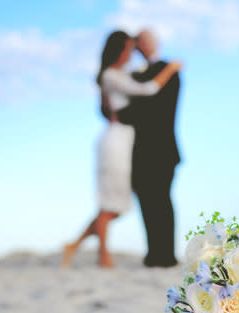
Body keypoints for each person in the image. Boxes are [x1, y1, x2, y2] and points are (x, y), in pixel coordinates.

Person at [62, 31, 181, 268]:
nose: (131, 53)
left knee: (117, 204)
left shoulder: (124, 75)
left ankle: (77, 246)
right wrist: (171, 68)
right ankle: (103, 256)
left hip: (128, 142)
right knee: (112, 203)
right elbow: (147, 91)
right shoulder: (113, 75)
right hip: (117, 141)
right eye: (129, 49)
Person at [104, 29, 182, 268]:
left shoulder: (168, 73)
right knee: (147, 202)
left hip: (162, 148)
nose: (142, 47)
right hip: (137, 149)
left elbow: (159, 108)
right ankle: (153, 254)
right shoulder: (133, 76)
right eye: (138, 43)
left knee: (162, 201)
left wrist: (125, 114)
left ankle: (166, 255)